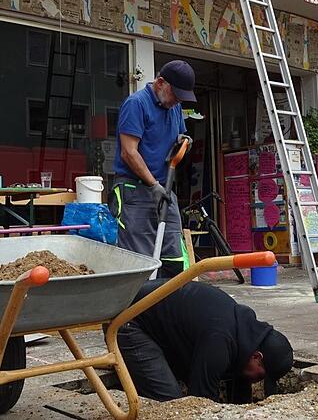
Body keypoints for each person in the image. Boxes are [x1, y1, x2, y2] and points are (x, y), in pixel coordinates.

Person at [118, 280, 293, 403]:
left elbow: (240, 386)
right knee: (173, 404)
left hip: (159, 321)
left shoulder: (245, 336)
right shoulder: (220, 342)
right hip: (130, 320)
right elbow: (200, 402)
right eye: (261, 376)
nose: (256, 381)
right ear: (257, 356)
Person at [111, 60, 197, 278]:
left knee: (173, 257)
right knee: (139, 260)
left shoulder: (174, 107)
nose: (178, 100)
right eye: (176, 94)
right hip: (134, 190)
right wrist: (153, 185)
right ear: (160, 83)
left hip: (164, 190)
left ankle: (170, 297)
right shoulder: (136, 104)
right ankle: (141, 300)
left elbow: (179, 136)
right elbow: (129, 152)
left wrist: (184, 142)